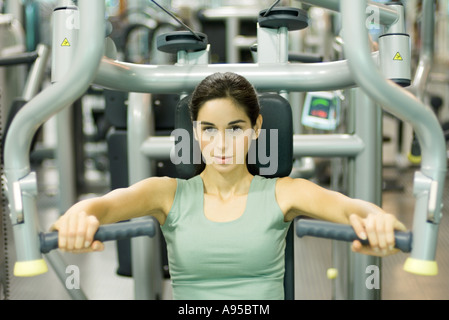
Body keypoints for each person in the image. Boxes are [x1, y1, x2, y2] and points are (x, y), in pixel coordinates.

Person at [52, 72, 406, 300]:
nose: (221, 145)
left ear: (256, 127)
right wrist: (78, 217)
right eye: (209, 129)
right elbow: (106, 205)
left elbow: (351, 208)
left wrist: (377, 219)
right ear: (194, 130)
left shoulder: (284, 192)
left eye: (235, 128)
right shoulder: (168, 194)